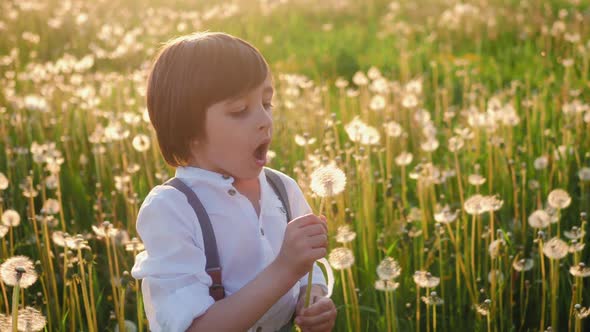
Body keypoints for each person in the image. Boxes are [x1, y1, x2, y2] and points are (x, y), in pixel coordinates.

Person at [131, 31, 337, 332]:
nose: (264, 120)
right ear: (188, 130)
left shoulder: (283, 189)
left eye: (267, 104)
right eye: (240, 110)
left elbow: (308, 268)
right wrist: (284, 269)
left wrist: (313, 298)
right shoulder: (171, 210)